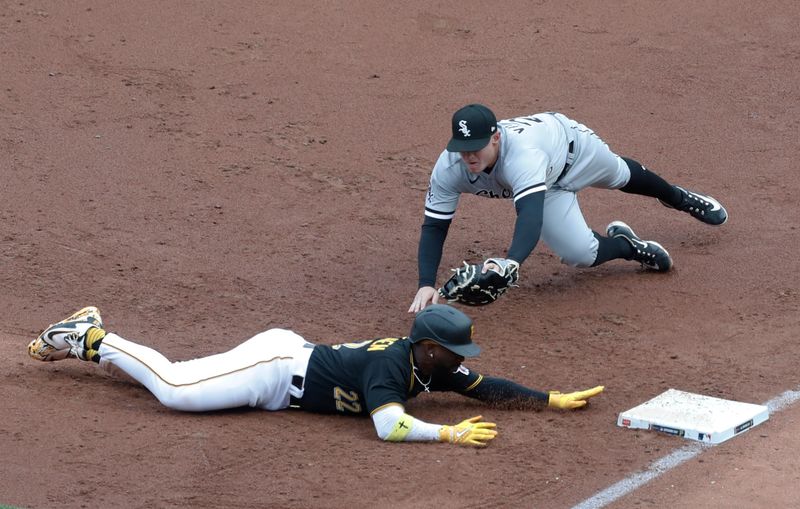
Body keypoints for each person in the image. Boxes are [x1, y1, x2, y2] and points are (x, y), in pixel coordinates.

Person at [27, 304, 603, 447]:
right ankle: (93, 338)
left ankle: (94, 338)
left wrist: (550, 399)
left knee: (184, 383)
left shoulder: (431, 366)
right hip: (277, 373)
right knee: (176, 390)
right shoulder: (390, 366)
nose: (462, 361)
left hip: (288, 362)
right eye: (454, 351)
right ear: (427, 346)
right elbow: (389, 429)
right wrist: (445, 434)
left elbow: (489, 387)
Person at [409, 104, 728, 313]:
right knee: (581, 254)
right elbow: (435, 225)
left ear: (495, 138)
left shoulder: (522, 156)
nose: (467, 157)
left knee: (621, 174)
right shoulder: (449, 167)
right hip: (546, 189)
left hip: (574, 152)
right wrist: (426, 282)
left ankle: (679, 197)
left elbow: (530, 216)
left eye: (474, 148)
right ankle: (628, 246)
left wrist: (511, 263)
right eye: (461, 150)